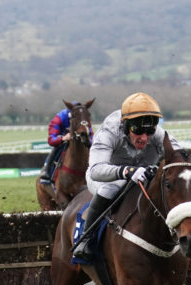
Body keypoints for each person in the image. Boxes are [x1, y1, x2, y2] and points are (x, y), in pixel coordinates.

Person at [72, 92, 179, 261]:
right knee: (112, 187)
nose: (144, 138)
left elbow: (178, 155)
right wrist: (126, 172)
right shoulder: (109, 131)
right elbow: (96, 170)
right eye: (137, 131)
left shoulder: (156, 133)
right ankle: (86, 237)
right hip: (106, 177)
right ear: (126, 124)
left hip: (141, 173)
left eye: (149, 131)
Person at [39, 101, 94, 184]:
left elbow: (92, 136)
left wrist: (88, 141)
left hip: (79, 141)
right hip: (64, 140)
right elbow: (51, 140)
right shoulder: (60, 117)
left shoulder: (84, 117)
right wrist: (63, 138)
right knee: (57, 147)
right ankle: (46, 171)